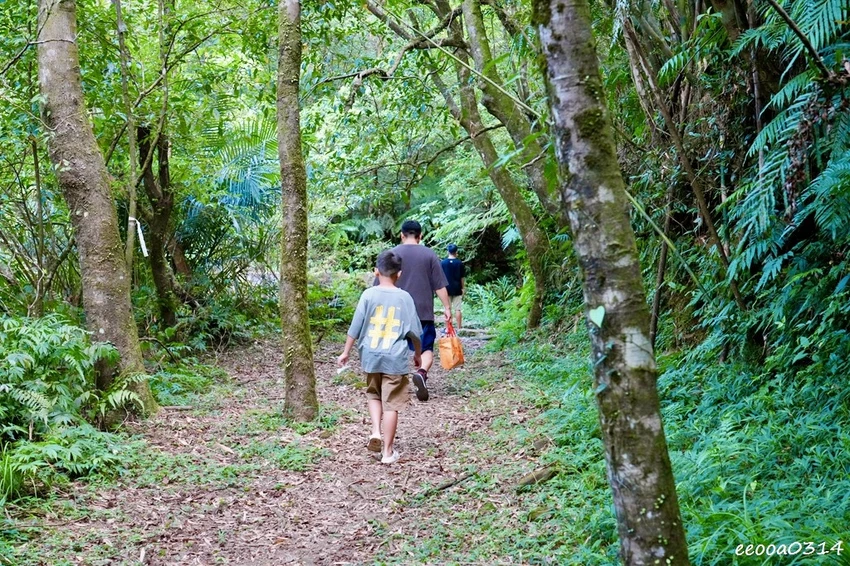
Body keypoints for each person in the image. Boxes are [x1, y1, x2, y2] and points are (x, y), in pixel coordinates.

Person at [338, 250, 422, 465]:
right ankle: (387, 451)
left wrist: (346, 352)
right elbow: (414, 332)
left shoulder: (368, 295)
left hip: (370, 356)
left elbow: (355, 326)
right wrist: (418, 355)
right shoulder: (404, 297)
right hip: (395, 358)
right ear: (399, 274)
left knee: (373, 394)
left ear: (376, 271)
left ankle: (375, 431)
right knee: (391, 403)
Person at [385, 220, 452, 402]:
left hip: (395, 311)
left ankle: (393, 382)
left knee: (394, 347)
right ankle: (421, 372)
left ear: (402, 235)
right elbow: (439, 285)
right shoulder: (429, 254)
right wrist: (447, 308)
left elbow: (381, 284)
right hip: (423, 311)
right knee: (426, 348)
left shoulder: (391, 254)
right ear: (420, 236)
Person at [441, 244, 466, 329]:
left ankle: (448, 328)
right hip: (457, 288)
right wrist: (463, 288)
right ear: (456, 252)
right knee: (457, 309)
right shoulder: (459, 263)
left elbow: (441, 277)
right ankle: (459, 327)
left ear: (448, 252)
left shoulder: (443, 263)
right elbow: (462, 277)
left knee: (447, 308)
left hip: (446, 289)